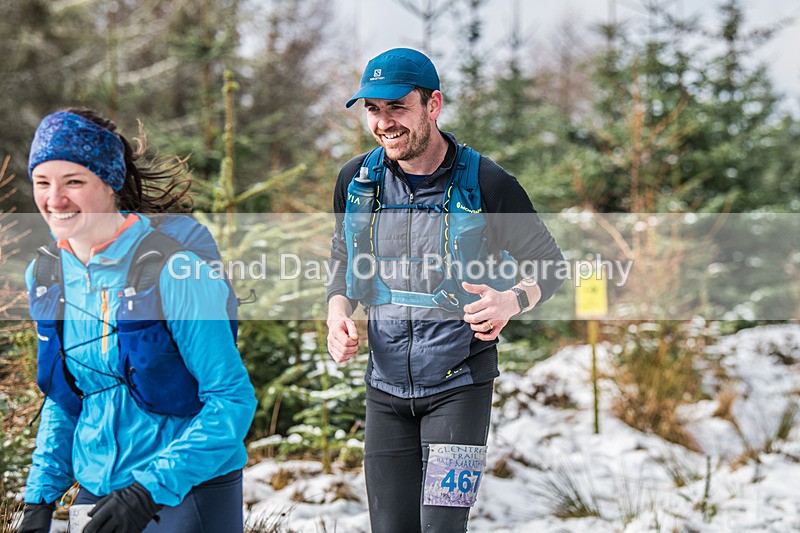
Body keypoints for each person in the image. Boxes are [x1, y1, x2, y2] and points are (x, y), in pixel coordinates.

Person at [326, 48, 564, 532]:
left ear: (433, 105)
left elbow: (552, 267)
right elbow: (343, 260)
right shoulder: (357, 180)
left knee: (441, 528)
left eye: (397, 107)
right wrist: (337, 313)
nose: (384, 122)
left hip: (460, 390)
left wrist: (511, 300)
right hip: (384, 389)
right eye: (373, 109)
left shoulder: (490, 184)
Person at [18, 108, 257, 533]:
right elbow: (67, 396)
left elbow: (231, 400)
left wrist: (147, 490)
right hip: (99, 489)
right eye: (42, 182)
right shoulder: (48, 274)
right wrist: (38, 499)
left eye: (74, 181)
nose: (54, 200)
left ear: (110, 181)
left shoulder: (174, 271)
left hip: (188, 489)